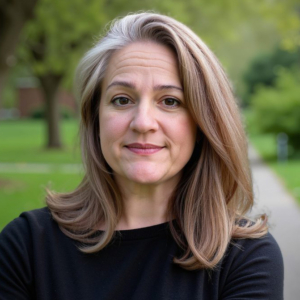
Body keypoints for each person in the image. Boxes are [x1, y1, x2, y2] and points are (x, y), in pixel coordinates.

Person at [0, 12, 283, 300]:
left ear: (203, 123)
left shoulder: (246, 258)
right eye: (122, 99)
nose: (143, 122)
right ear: (95, 118)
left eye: (170, 101)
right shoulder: (26, 246)